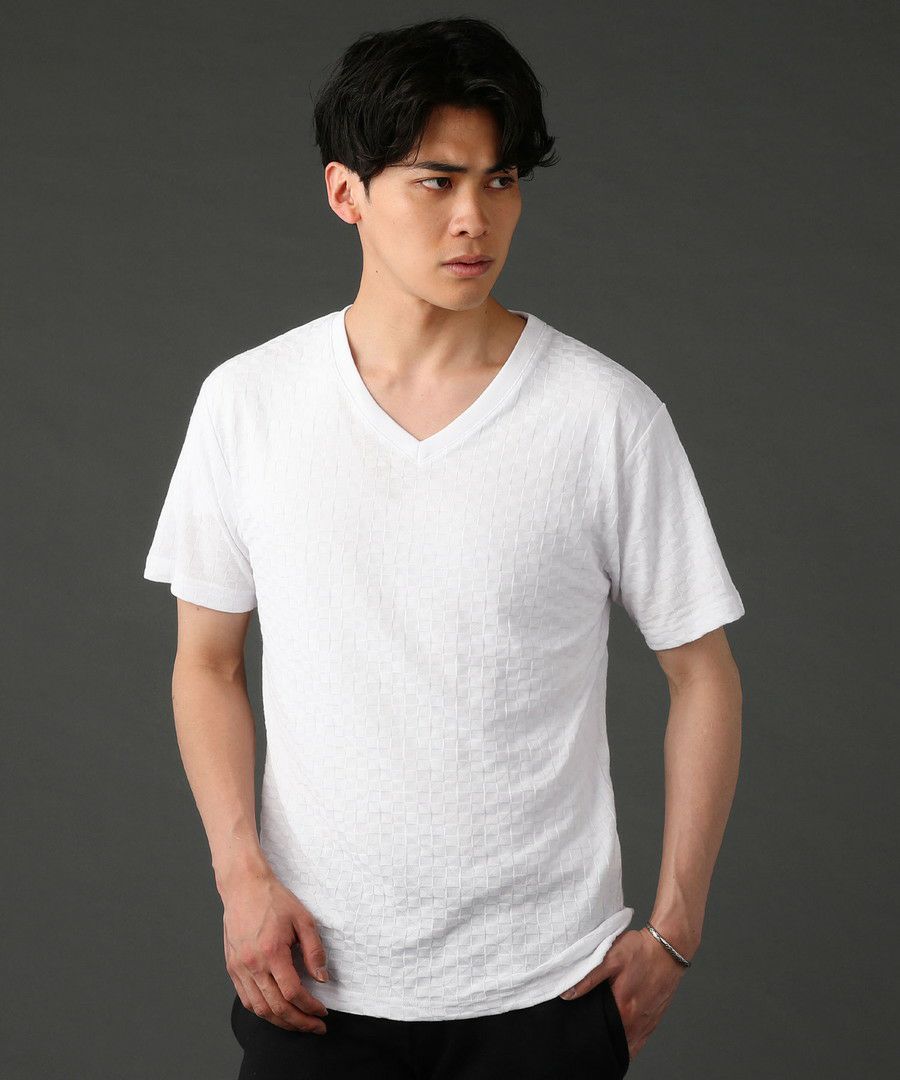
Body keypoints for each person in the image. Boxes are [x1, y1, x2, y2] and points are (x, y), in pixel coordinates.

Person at [142, 16, 745, 1080]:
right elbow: (207, 663)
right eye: (436, 181)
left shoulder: (604, 416)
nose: (475, 218)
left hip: (550, 994)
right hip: (313, 988)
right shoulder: (249, 405)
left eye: (499, 180)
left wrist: (675, 929)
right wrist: (240, 878)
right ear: (346, 193)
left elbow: (704, 674)